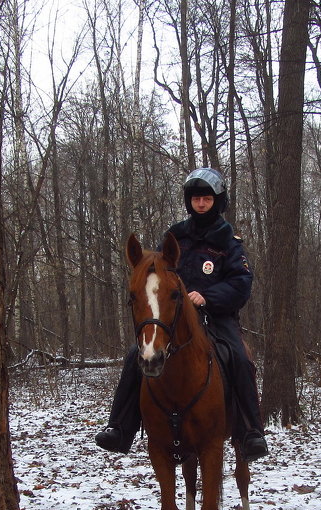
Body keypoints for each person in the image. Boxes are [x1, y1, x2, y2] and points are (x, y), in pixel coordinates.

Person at [95, 167, 269, 462]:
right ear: (188, 202)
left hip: (217, 318)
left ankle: (251, 431)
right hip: (174, 318)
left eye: (206, 198)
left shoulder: (229, 241)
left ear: (217, 201)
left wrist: (208, 297)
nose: (200, 204)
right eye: (195, 199)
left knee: (240, 358)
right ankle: (120, 427)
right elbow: (159, 274)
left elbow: (241, 283)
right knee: (134, 357)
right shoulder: (175, 236)